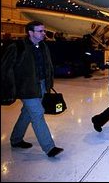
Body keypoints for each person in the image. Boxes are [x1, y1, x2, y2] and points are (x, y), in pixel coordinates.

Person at [0, 21, 64, 157]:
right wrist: (10, 88)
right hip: (26, 88)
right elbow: (5, 68)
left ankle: (16, 139)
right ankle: (49, 147)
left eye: (44, 31)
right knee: (37, 113)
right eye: (40, 31)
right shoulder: (17, 47)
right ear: (30, 32)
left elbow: (47, 66)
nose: (43, 33)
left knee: (27, 113)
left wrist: (48, 83)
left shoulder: (43, 46)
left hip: (40, 85)